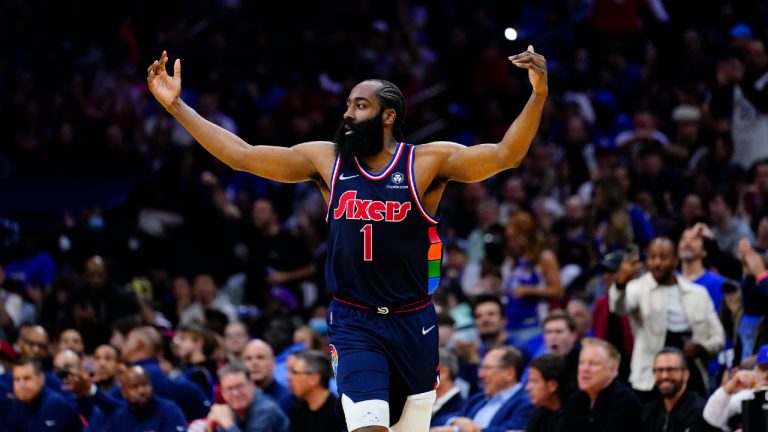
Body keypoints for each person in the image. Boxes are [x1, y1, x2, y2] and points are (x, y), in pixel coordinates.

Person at [147, 42, 548, 432]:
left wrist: (538, 95)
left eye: (360, 105)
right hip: (354, 321)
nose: (347, 114)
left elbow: (506, 155)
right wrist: (177, 106)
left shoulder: (426, 162)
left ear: (388, 115)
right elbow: (242, 155)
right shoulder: (327, 160)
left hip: (415, 321)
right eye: (348, 105)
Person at [610, 237, 725, 398]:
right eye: (652, 257)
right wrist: (620, 285)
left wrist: (702, 348)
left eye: (663, 257)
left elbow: (718, 337)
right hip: (649, 380)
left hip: (691, 374)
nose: (657, 263)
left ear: (675, 260)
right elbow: (619, 308)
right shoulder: (637, 288)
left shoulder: (698, 293)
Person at [433, 346, 533, 432]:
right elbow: (438, 420)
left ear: (509, 373)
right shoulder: (478, 399)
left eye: (487, 368)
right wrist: (454, 421)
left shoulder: (527, 403)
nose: (481, 375)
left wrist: (458, 430)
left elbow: (511, 430)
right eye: (481, 368)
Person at [561, 338, 643, 432]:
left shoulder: (626, 402)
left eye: (593, 364)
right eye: (581, 363)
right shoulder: (574, 401)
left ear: (612, 370)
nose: (585, 369)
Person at [640, 347, 719, 432]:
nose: (664, 376)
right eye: (659, 370)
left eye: (670, 370)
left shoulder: (702, 412)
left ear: (686, 374)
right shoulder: (648, 413)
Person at [100, 365, 188, 432]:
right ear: (124, 393)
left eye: (145, 384)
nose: (142, 391)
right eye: (134, 387)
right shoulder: (118, 417)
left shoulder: (169, 410)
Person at [206, 362, 289, 432]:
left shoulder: (265, 409)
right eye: (229, 389)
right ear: (222, 392)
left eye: (240, 386)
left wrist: (228, 424)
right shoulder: (230, 409)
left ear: (252, 385)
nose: (235, 393)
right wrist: (211, 428)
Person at [702, 343, 768, 430]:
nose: (766, 375)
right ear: (755, 370)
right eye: (763, 369)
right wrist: (728, 389)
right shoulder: (748, 396)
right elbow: (712, 419)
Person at [5, 357, 82, 431]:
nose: (21, 385)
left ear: (41, 379)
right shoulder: (17, 405)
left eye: (27, 378)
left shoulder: (55, 404)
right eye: (17, 379)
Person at [286, 350, 346, 432]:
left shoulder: (341, 414)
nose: (288, 377)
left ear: (314, 379)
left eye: (295, 373)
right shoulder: (295, 410)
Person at [241, 339, 296, 414]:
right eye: (248, 359)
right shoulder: (238, 399)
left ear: (273, 363)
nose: (254, 363)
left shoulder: (288, 399)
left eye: (260, 358)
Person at [524, 354, 567, 432]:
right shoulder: (538, 414)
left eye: (534, 381)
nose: (527, 388)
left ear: (552, 385)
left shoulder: (573, 416)